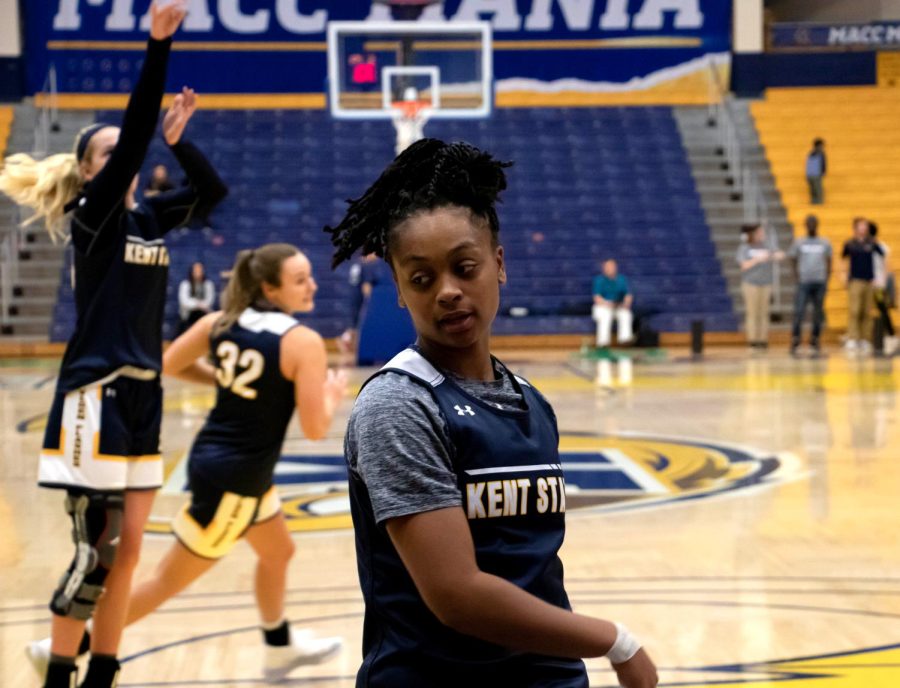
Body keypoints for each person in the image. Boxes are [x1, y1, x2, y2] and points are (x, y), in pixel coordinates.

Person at [325, 139, 658, 688]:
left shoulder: (529, 398)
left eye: (464, 267)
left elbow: (534, 570)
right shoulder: (399, 405)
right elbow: (458, 596)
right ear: (401, 292)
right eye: (423, 278)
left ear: (498, 264)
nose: (449, 292)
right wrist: (615, 641)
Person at [0, 5, 228, 687]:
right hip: (93, 397)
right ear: (92, 169)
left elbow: (212, 193)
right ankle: (59, 673)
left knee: (128, 554)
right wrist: (158, 46)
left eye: (121, 154)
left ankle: (104, 669)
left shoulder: (149, 218)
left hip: (143, 398)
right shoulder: (92, 215)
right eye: (108, 153)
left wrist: (182, 141)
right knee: (95, 554)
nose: (126, 157)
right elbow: (132, 138)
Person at [27, 244, 346, 683]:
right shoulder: (303, 342)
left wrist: (221, 378)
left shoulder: (219, 322)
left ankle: (278, 645)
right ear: (270, 289)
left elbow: (169, 364)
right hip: (238, 479)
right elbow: (315, 429)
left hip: (220, 462)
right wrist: (329, 397)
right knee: (165, 582)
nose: (312, 286)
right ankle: (65, 645)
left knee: (279, 551)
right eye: (300, 280)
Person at [788, 214, 832, 355]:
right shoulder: (799, 242)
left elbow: (829, 260)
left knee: (818, 313)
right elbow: (793, 258)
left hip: (819, 281)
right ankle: (796, 340)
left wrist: (827, 277)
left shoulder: (824, 242)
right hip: (804, 282)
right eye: (809, 223)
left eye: (814, 223)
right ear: (805, 225)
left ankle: (815, 339)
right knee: (799, 311)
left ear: (817, 225)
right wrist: (797, 276)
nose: (811, 225)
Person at [737, 223, 784, 350]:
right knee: (752, 313)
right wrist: (758, 259)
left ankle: (763, 340)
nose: (762, 235)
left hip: (766, 283)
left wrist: (771, 256)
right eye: (760, 232)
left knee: (764, 313)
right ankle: (752, 341)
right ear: (753, 234)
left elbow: (780, 255)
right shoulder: (745, 247)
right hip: (750, 284)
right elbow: (743, 265)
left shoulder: (767, 246)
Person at [842, 217, 884, 353]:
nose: (863, 228)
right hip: (855, 280)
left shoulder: (872, 243)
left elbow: (883, 257)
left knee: (867, 311)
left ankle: (865, 339)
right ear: (855, 228)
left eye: (865, 226)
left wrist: (879, 277)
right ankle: (853, 338)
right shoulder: (850, 244)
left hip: (869, 281)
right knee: (854, 310)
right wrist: (843, 275)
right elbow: (843, 259)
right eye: (861, 226)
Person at [591, 258, 633, 348]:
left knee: (626, 314)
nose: (609, 269)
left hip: (618, 305)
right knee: (605, 316)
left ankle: (624, 341)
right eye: (607, 267)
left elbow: (628, 295)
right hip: (602, 306)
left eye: (611, 266)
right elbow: (597, 298)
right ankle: (603, 343)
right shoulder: (599, 280)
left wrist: (626, 303)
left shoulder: (622, 279)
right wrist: (608, 304)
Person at [868, 220, 896, 353]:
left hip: (879, 284)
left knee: (883, 309)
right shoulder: (867, 247)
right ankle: (878, 339)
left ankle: (891, 336)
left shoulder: (881, 247)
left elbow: (886, 266)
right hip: (871, 282)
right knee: (875, 311)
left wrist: (883, 283)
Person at [391, 87, 431, 156]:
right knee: (404, 137)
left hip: (415, 128)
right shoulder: (397, 110)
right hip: (405, 130)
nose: (410, 107)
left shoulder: (424, 110)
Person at [177, 260, 216, 332]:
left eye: (200, 270)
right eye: (196, 270)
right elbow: (184, 302)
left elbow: (209, 301)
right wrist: (198, 304)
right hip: (188, 316)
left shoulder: (208, 284)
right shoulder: (185, 284)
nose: (198, 273)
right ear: (191, 272)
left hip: (204, 315)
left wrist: (201, 305)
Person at [806, 138, 826, 205]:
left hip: (815, 174)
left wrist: (823, 172)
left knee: (817, 188)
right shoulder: (814, 154)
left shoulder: (814, 153)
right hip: (813, 174)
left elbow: (823, 164)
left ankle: (819, 202)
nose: (822, 147)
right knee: (814, 189)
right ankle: (815, 201)